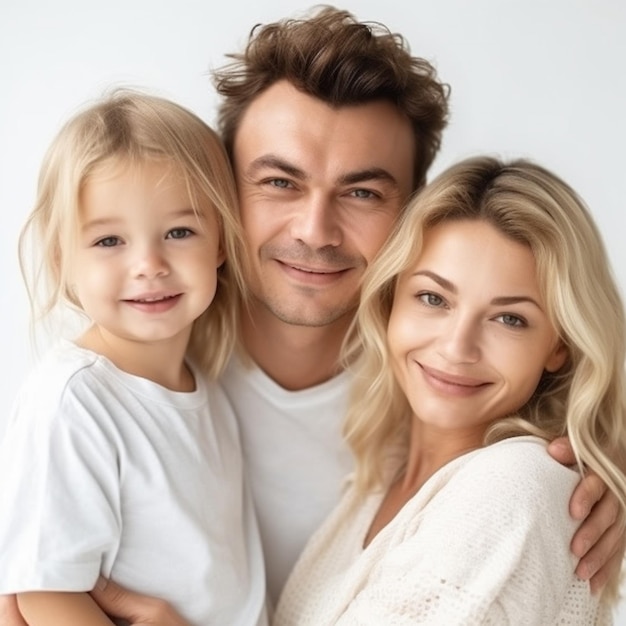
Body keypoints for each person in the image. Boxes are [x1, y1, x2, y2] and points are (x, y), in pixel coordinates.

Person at [1, 5, 624, 625]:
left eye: (362, 192)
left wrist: (610, 469)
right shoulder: (142, 360)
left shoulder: (431, 384)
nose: (315, 230)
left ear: (412, 215)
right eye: (279, 182)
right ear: (218, 194)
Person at [273, 155, 626, 624]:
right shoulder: (376, 477)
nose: (458, 348)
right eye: (433, 298)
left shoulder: (516, 485)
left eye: (510, 318)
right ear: (391, 302)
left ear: (558, 346)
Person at [0, 90, 267, 626]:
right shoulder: (74, 401)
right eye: (108, 241)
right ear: (62, 260)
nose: (148, 264)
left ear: (219, 243)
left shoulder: (207, 388)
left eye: (179, 232)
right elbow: (46, 594)